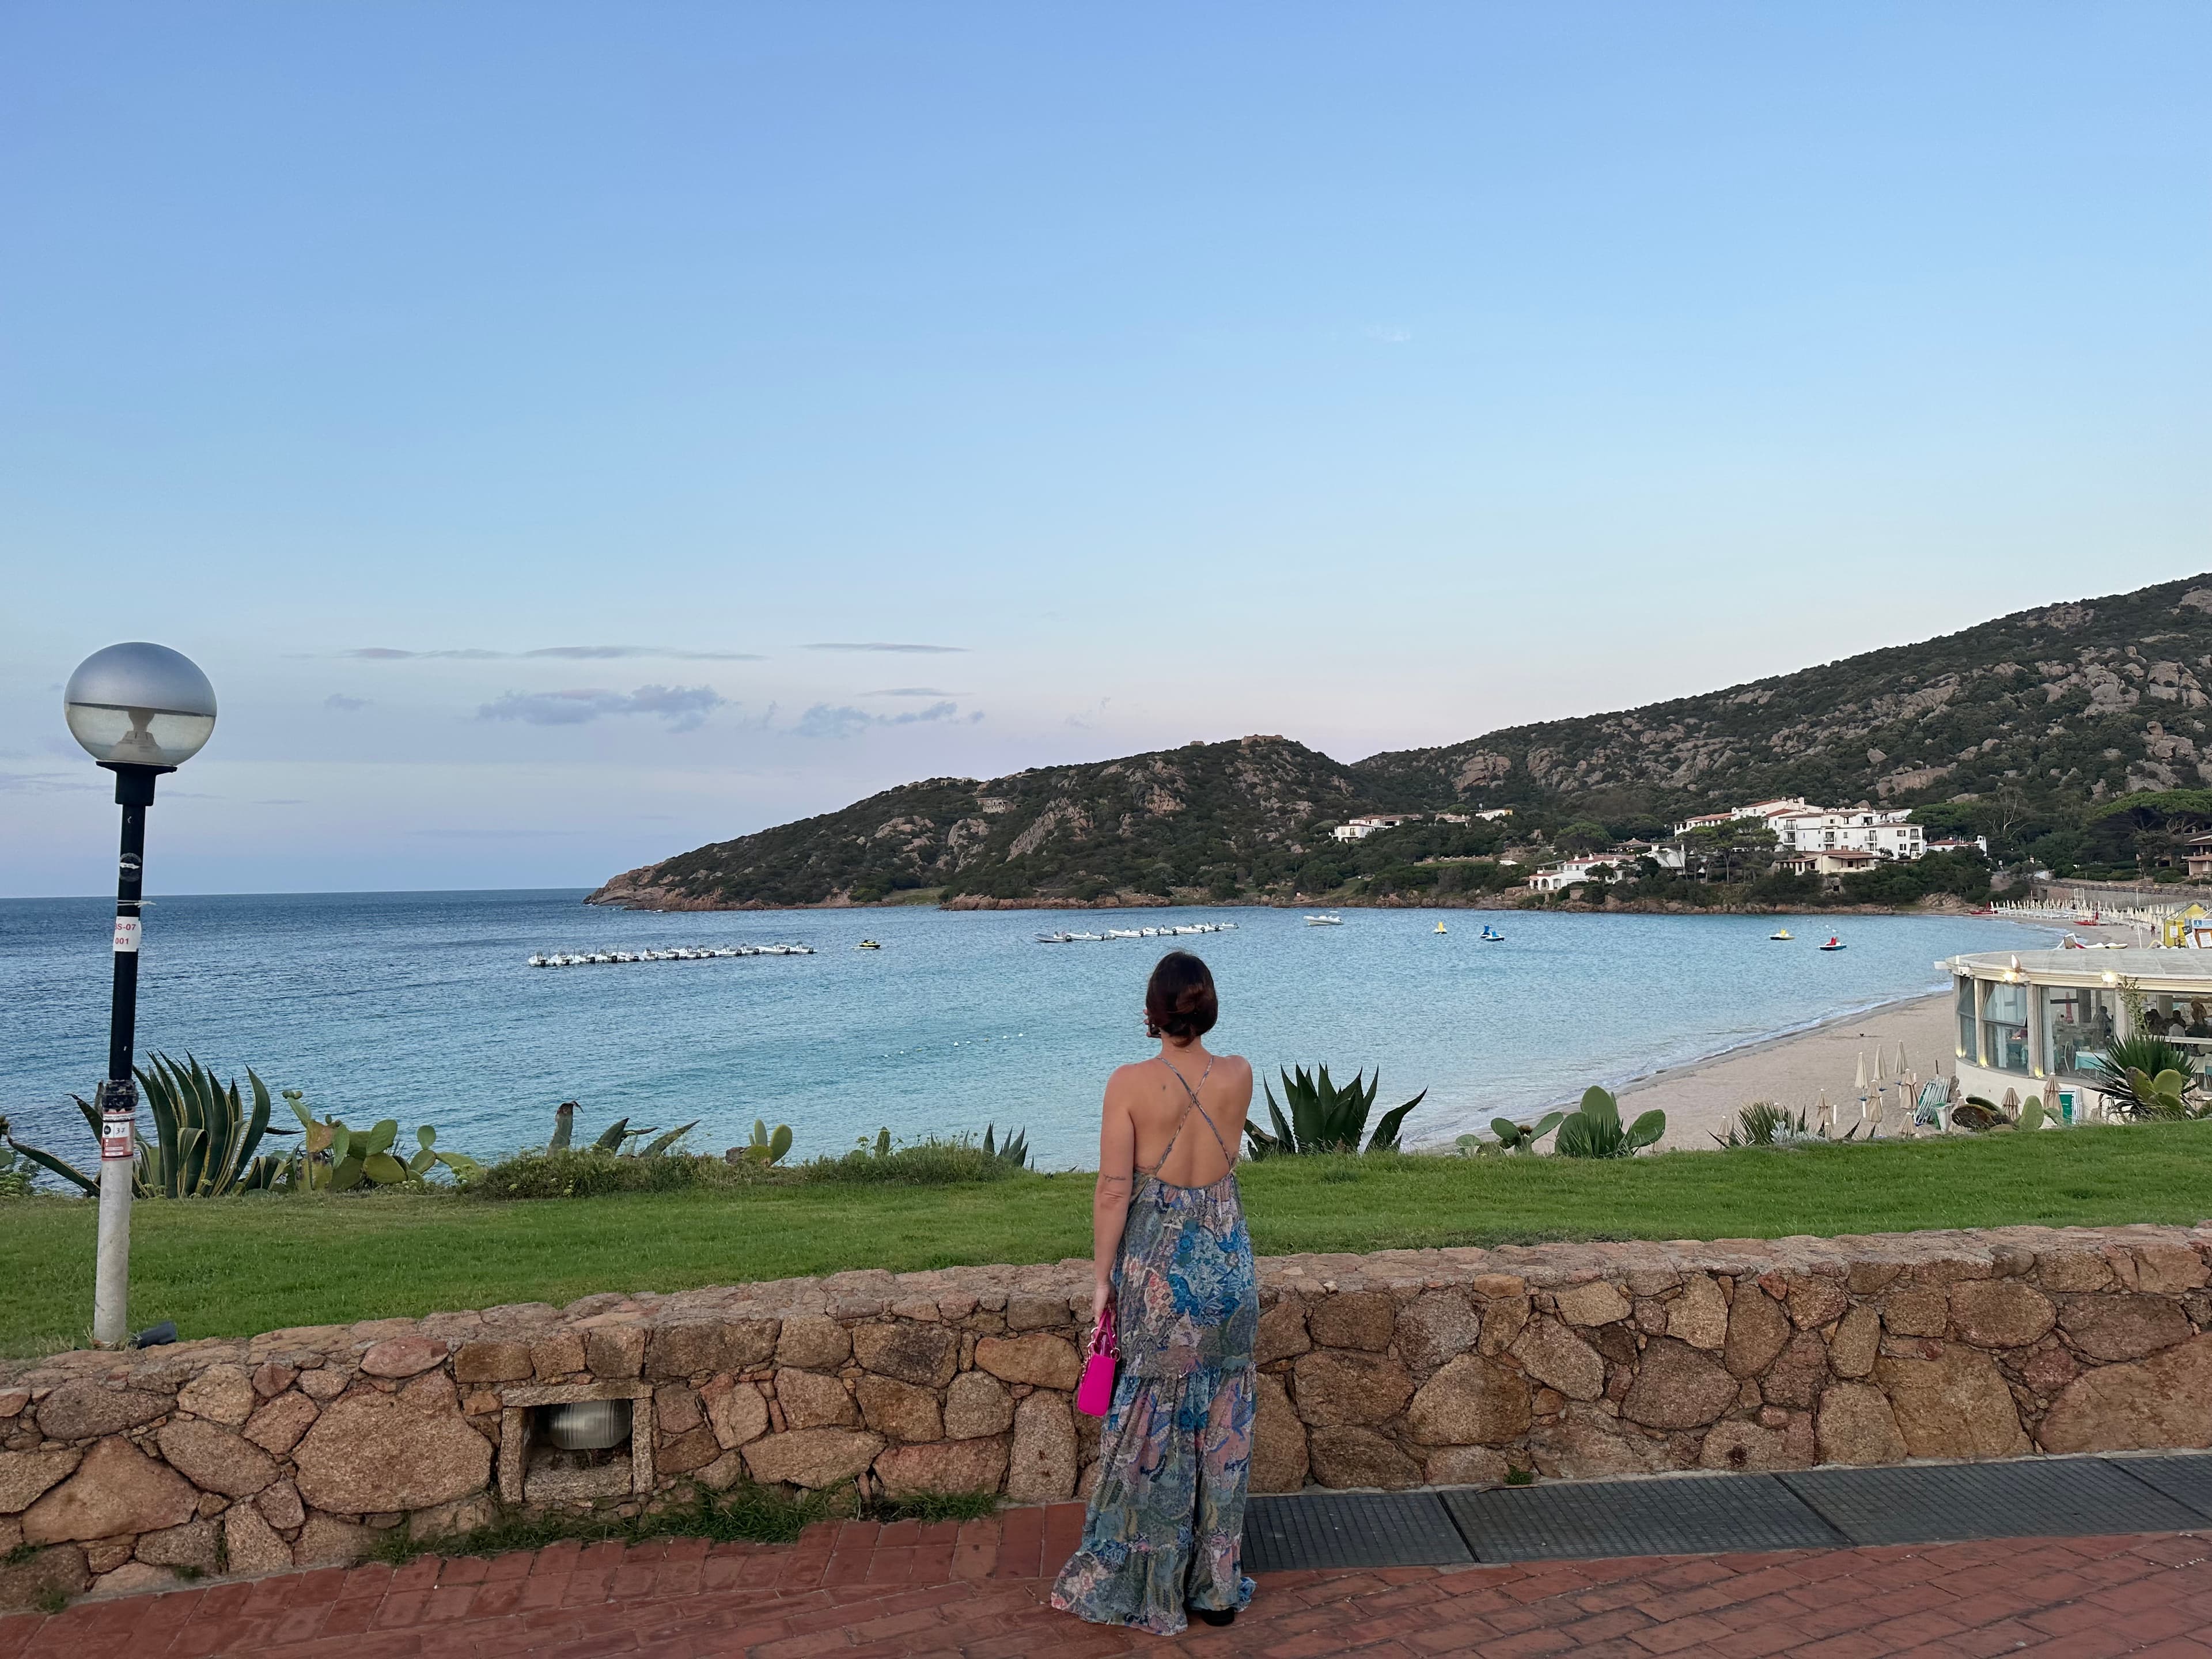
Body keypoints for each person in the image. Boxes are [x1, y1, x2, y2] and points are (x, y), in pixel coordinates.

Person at [1051, 950, 1259, 1635]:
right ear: (1208, 1008)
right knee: (1220, 1424)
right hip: (1229, 1266)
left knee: (1152, 1427)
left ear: (1153, 1011)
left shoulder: (1130, 1083)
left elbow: (1115, 1189)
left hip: (1162, 1272)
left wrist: (1102, 1277)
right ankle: (1217, 1588)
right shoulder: (1238, 1075)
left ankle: (1153, 1583)